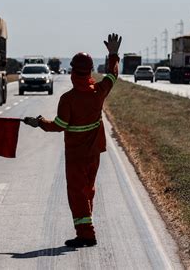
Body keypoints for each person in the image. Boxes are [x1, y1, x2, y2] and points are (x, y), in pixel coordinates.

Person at [23, 33, 122, 248]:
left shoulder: (68, 99)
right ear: (89, 70)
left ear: (73, 72)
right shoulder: (99, 91)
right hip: (94, 153)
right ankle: (85, 229)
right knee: (87, 190)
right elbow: (113, 74)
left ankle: (86, 234)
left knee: (77, 194)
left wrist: (39, 122)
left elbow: (58, 126)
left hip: (76, 156)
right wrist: (113, 53)